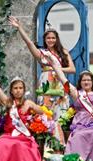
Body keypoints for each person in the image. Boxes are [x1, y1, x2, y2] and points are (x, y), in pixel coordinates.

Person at [9, 16, 76, 145]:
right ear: (45, 40)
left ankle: (60, 145)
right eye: (48, 38)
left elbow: (72, 69)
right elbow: (29, 43)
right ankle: (47, 146)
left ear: (56, 39)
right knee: (46, 115)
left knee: (60, 115)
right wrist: (20, 28)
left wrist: (57, 69)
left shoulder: (63, 52)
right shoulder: (42, 53)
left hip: (60, 84)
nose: (51, 40)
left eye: (53, 38)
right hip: (46, 85)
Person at [46, 55, 93, 161]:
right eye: (84, 80)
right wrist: (54, 64)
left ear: (92, 82)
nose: (86, 82)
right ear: (80, 82)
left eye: (88, 80)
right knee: (78, 136)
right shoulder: (76, 93)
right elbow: (63, 80)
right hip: (80, 123)